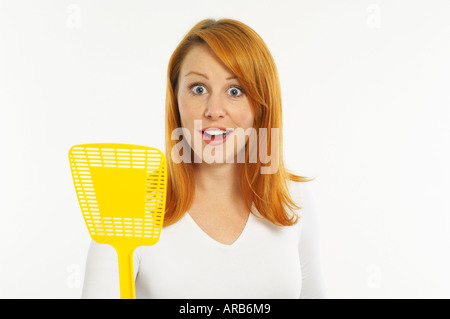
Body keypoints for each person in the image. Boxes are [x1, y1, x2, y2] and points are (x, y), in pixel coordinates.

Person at [81, 18, 327, 299]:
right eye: (198, 88)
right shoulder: (128, 205)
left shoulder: (293, 198)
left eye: (235, 91)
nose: (214, 110)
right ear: (176, 100)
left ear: (261, 106)